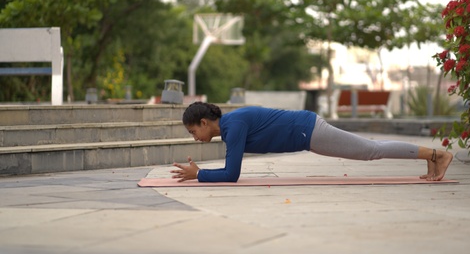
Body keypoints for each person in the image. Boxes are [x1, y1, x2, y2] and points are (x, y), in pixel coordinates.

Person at [171, 102, 453, 183]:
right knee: (370, 149)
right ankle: (432, 157)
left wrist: (199, 175)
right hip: (307, 133)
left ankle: (437, 155)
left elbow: (232, 174)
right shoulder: (232, 126)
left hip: (309, 131)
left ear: (205, 123)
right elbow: (232, 169)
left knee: (370, 150)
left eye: (193, 131)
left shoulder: (234, 126)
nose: (194, 137)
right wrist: (202, 174)